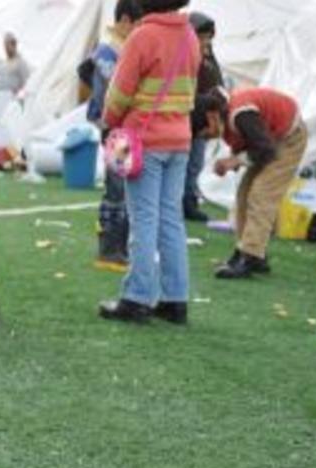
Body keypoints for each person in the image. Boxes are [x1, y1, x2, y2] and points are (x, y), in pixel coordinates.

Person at [98, 0, 201, 325]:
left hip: (145, 139)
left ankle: (137, 297)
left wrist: (109, 122)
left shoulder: (143, 36)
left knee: (143, 219)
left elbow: (119, 93)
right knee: (171, 219)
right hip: (180, 139)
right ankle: (175, 299)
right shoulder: (190, 36)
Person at [194, 87, 308, 278]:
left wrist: (234, 161)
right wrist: (233, 160)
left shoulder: (240, 115)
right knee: (244, 194)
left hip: (289, 138)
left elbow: (265, 150)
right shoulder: (228, 115)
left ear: (212, 116)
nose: (206, 137)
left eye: (205, 133)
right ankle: (246, 251)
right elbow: (253, 143)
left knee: (261, 194)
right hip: (270, 140)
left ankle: (251, 256)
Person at [85, 0, 143, 272]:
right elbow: (109, 94)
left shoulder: (120, 49)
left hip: (122, 128)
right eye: (137, 23)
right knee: (116, 190)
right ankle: (110, 249)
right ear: (125, 21)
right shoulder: (108, 52)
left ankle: (118, 248)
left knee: (122, 188)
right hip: (114, 129)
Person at [183, 11, 225, 222]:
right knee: (185, 164)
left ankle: (188, 201)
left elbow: (216, 82)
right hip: (186, 117)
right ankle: (183, 203)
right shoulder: (185, 55)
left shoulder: (207, 56)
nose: (206, 40)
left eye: (208, 36)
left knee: (195, 163)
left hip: (200, 118)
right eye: (202, 35)